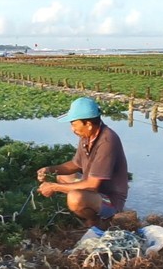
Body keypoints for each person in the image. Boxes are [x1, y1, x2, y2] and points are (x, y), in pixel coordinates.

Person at [37, 97, 129, 230]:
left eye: (74, 124)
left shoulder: (107, 141)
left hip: (110, 198)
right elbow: (75, 164)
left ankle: (97, 220)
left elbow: (92, 185)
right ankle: (91, 211)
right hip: (95, 191)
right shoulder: (87, 136)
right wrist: (50, 169)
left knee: (75, 198)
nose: (72, 129)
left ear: (89, 124)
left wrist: (54, 187)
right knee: (62, 176)